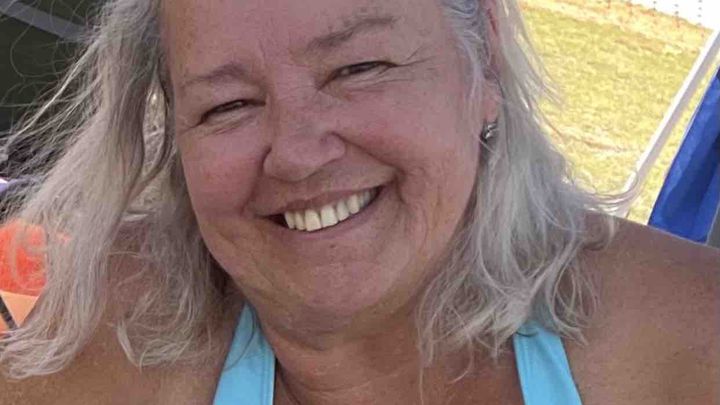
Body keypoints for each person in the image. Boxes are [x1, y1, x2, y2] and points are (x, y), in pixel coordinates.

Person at [0, 0, 717, 403]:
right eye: (228, 104)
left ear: (487, 62)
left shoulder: (688, 344)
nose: (298, 152)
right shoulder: (72, 349)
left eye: (359, 67)